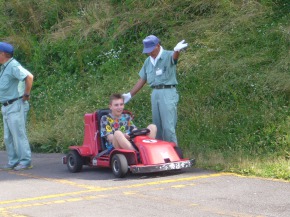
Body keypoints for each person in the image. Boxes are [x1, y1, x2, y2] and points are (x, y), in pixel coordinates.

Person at [122, 35, 188, 145]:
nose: (149, 53)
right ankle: (160, 153)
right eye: (147, 51)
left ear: (157, 45)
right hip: (155, 93)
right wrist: (130, 94)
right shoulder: (148, 61)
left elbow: (174, 58)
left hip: (167, 91)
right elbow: (143, 79)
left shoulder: (167, 55)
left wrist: (177, 51)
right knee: (157, 126)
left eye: (151, 50)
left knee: (168, 126)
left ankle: (173, 152)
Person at [0, 42, 34, 171]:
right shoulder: (5, 67)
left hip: (15, 105)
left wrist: (26, 94)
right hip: (7, 106)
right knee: (8, 136)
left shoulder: (13, 65)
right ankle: (13, 161)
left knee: (18, 134)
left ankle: (25, 161)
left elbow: (29, 77)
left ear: (3, 54)